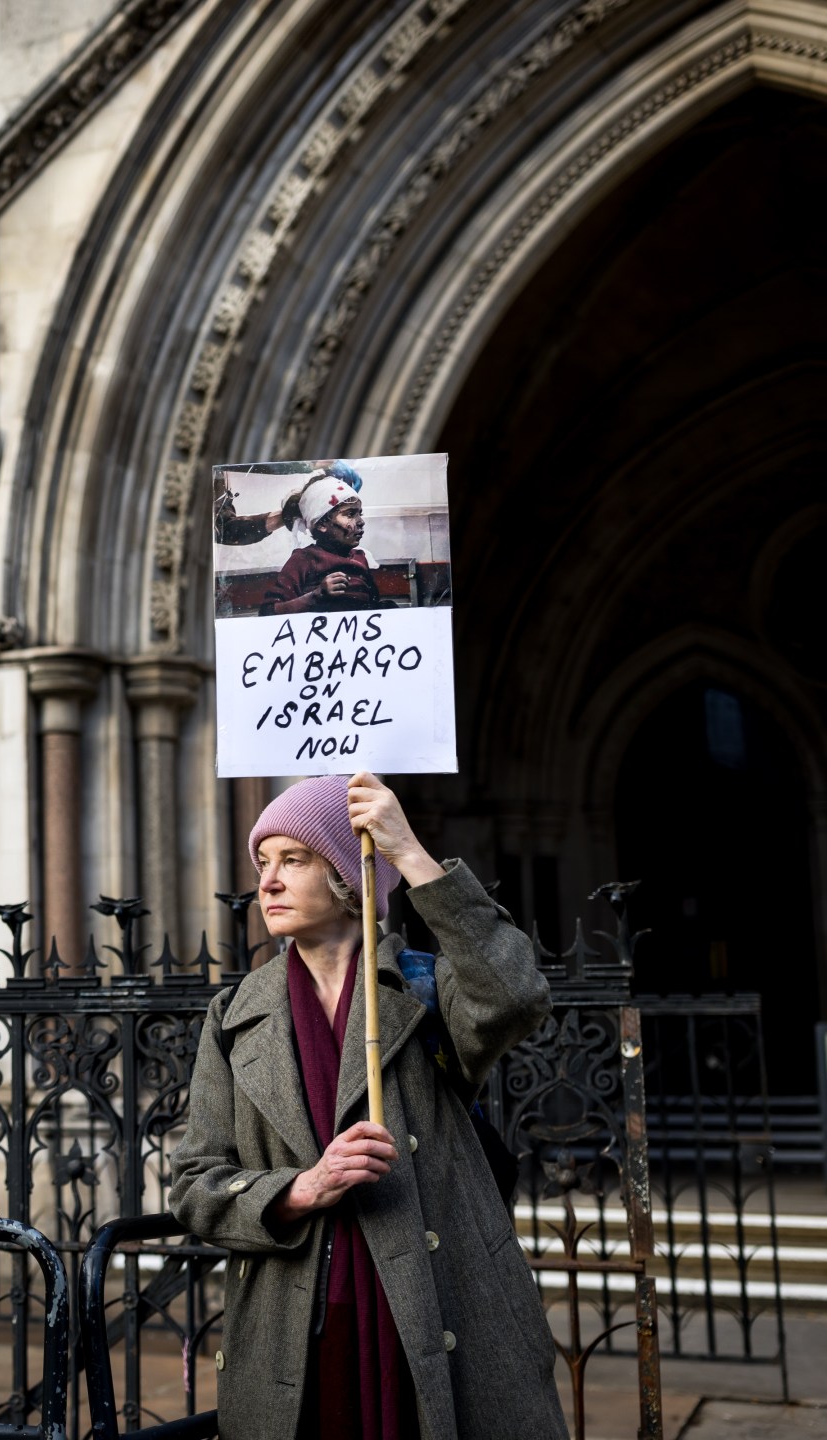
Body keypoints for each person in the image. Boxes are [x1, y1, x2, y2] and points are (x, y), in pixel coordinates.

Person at [167, 773, 565, 1440]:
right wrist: (301, 1189)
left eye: (294, 859)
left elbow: (517, 993)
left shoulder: (424, 989)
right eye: (262, 863)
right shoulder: (233, 1016)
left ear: (349, 877)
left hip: (439, 1315)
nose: (268, 882)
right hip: (300, 1335)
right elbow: (193, 1186)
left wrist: (406, 850)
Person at [260, 464, 383, 613]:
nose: (361, 522)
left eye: (359, 514)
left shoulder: (360, 557)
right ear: (322, 524)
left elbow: (374, 603)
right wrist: (316, 595)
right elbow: (268, 611)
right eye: (350, 514)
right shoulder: (305, 558)